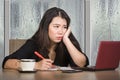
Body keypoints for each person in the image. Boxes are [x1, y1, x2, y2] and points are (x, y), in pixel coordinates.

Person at [2, 7, 89, 70]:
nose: (61, 31)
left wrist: (66, 40)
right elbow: (6, 63)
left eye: (64, 27)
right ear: (46, 27)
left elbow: (82, 64)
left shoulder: (67, 40)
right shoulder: (34, 43)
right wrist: (35, 65)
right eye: (56, 26)